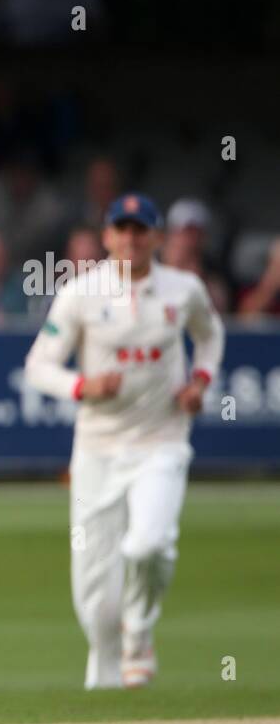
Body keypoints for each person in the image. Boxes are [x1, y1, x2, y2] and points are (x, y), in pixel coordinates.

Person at [24, 193, 224, 690]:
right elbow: (39, 365)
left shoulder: (184, 289)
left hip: (162, 440)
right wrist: (81, 386)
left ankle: (139, 632)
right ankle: (107, 683)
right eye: (123, 229)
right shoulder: (82, 294)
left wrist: (200, 381)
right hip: (97, 447)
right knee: (93, 590)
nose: (132, 239)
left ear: (157, 237)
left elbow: (211, 334)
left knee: (148, 546)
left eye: (142, 230)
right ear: (108, 236)